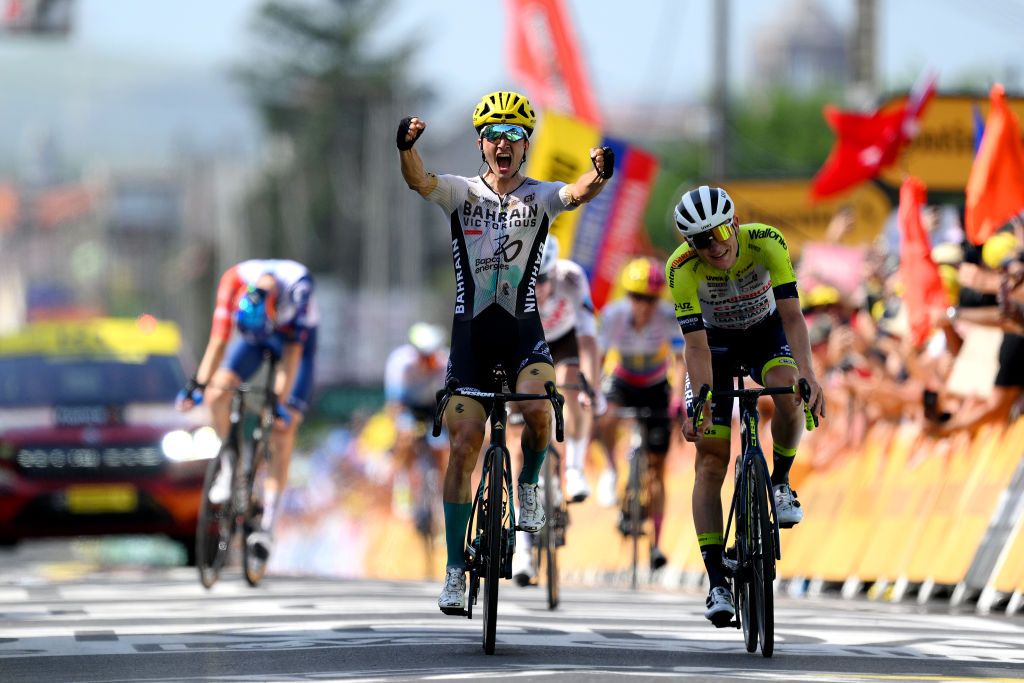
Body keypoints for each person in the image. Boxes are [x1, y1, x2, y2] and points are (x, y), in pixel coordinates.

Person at [397, 90, 613, 613]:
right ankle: (453, 571)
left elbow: (576, 194)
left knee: (539, 409)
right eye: (494, 134)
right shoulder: (461, 193)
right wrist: (405, 146)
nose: (503, 143)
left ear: (525, 145)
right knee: (465, 444)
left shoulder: (538, 196)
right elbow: (419, 181)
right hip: (471, 336)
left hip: (522, 331)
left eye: (514, 135)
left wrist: (600, 176)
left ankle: (529, 484)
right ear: (481, 142)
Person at [666, 185, 825, 626]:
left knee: (788, 391)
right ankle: (717, 581)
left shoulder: (767, 241)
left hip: (764, 332)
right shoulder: (680, 269)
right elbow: (694, 346)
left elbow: (793, 317)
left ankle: (779, 482)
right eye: (700, 240)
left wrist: (809, 374)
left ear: (733, 223)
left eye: (718, 231)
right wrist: (699, 401)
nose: (714, 245)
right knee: (711, 462)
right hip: (712, 348)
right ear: (688, 244)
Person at [176, 259, 318, 563]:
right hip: (255, 335)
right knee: (217, 394)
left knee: (282, 429)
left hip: (294, 345)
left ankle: (267, 528)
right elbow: (219, 341)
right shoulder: (233, 282)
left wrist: (280, 402)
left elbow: (293, 355)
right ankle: (230, 466)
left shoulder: (299, 289)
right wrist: (198, 386)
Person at [509, 234, 604, 586]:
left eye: (544, 279)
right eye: (530, 281)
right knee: (517, 440)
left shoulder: (572, 278)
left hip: (562, 340)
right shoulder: (506, 283)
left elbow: (589, 342)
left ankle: (575, 468)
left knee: (572, 384)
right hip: (522, 345)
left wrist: (591, 388)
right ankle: (523, 549)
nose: (538, 288)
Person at [594, 256, 685, 571]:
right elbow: (600, 356)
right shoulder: (613, 315)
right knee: (604, 417)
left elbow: (680, 360)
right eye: (636, 297)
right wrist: (593, 393)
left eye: (649, 299)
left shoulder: (667, 316)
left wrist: (677, 399)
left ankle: (657, 544)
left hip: (656, 383)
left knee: (658, 471)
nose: (642, 305)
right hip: (623, 379)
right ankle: (611, 469)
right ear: (627, 296)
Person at [383, 322, 449, 532]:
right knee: (405, 437)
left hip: (435, 406)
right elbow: (395, 406)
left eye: (431, 355)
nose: (426, 361)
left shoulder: (445, 363)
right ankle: (403, 484)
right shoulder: (400, 363)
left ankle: (439, 495)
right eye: (422, 355)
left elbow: (450, 405)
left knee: (442, 448)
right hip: (409, 406)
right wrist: (403, 428)